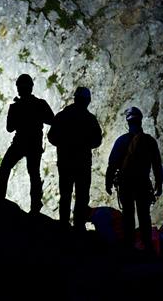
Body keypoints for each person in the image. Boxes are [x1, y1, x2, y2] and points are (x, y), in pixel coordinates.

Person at [105, 106, 163, 252]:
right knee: (144, 215)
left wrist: (108, 182)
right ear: (140, 121)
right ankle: (148, 246)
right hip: (143, 183)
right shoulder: (149, 141)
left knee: (128, 216)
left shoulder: (121, 141)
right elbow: (157, 165)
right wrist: (159, 184)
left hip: (126, 184)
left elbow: (112, 164)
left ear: (128, 122)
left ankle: (129, 247)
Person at [0, 74, 54, 214]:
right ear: (31, 88)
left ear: (19, 89)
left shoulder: (16, 106)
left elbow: (10, 128)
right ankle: (35, 206)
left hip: (20, 142)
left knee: (5, 167)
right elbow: (52, 120)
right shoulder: (40, 104)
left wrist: (19, 112)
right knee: (34, 174)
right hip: (34, 144)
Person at [47, 87, 102, 231]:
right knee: (82, 195)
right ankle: (79, 225)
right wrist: (84, 143)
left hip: (65, 161)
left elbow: (51, 136)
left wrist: (64, 143)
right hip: (82, 163)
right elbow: (97, 141)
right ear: (87, 101)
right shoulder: (90, 119)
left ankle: (63, 224)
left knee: (65, 193)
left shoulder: (62, 116)